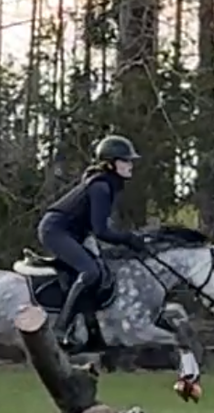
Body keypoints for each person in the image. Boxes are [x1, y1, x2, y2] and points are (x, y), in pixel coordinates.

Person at [38, 137, 146, 346]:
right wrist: (129, 239)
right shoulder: (101, 188)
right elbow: (101, 230)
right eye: (126, 161)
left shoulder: (107, 185)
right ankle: (60, 329)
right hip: (56, 231)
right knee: (91, 272)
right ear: (110, 163)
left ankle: (91, 333)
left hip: (72, 232)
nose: (131, 165)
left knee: (103, 269)